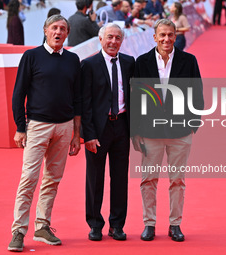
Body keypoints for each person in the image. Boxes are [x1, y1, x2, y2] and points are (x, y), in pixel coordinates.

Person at [8, 14, 82, 252]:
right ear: (45, 30)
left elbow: (78, 98)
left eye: (62, 29)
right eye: (54, 28)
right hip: (37, 126)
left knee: (52, 180)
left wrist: (76, 132)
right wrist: (21, 127)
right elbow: (19, 93)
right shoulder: (31, 56)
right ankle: (18, 231)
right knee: (28, 179)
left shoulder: (73, 59)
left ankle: (42, 226)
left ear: (67, 33)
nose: (58, 32)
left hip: (65, 127)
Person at [132, 19, 204, 242]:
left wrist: (193, 123)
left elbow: (197, 92)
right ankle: (149, 223)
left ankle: (175, 224)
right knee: (148, 180)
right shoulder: (142, 62)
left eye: (170, 35)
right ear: (154, 37)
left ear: (176, 36)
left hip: (179, 133)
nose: (166, 39)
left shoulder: (188, 60)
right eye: (162, 35)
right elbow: (135, 97)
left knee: (177, 181)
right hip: (150, 133)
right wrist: (136, 131)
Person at [81, 23, 135, 241]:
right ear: (100, 39)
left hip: (122, 125)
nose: (114, 42)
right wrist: (89, 134)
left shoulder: (130, 63)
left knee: (120, 178)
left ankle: (117, 225)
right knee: (95, 178)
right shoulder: (89, 64)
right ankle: (95, 224)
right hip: (98, 129)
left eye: (118, 38)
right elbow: (85, 103)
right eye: (110, 37)